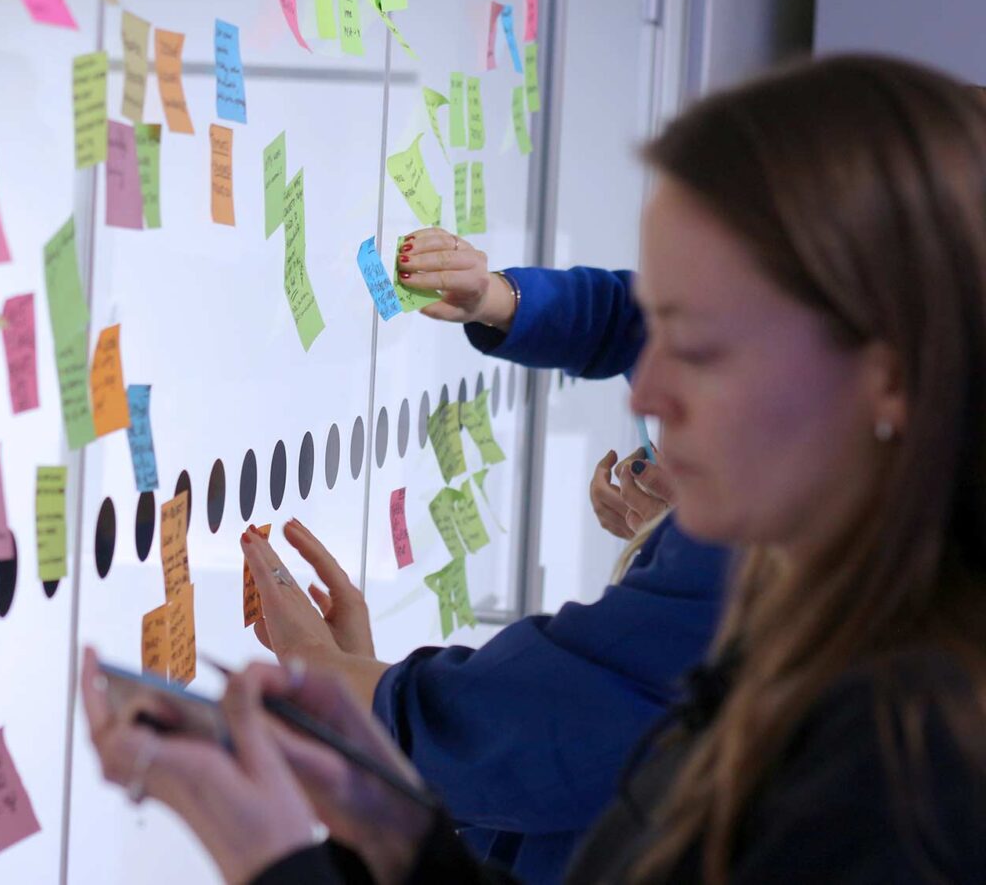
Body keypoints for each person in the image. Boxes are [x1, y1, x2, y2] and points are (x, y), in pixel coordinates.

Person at [84, 55, 986, 883]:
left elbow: (545, 727)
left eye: (703, 348)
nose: (653, 389)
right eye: (658, 328)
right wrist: (390, 825)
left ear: (891, 374)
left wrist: (274, 855)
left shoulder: (907, 766)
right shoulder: (835, 625)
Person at [238, 248, 716, 882]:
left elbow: (534, 727)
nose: (644, 393)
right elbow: (638, 319)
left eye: (712, 362)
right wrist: (501, 299)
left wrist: (327, 680)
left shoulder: (749, 569)